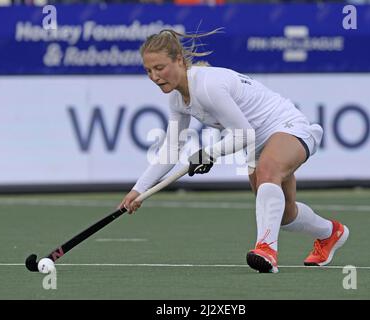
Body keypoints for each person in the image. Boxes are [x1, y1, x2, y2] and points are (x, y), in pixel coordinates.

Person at [118, 28, 349, 273]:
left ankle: (266, 249)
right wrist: (138, 190)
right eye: (148, 71)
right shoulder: (177, 100)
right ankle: (330, 232)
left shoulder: (208, 86)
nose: (154, 76)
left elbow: (243, 133)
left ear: (178, 60)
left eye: (160, 68)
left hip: (285, 125)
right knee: (284, 214)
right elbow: (172, 149)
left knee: (267, 171)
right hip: (256, 144)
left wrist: (209, 154)